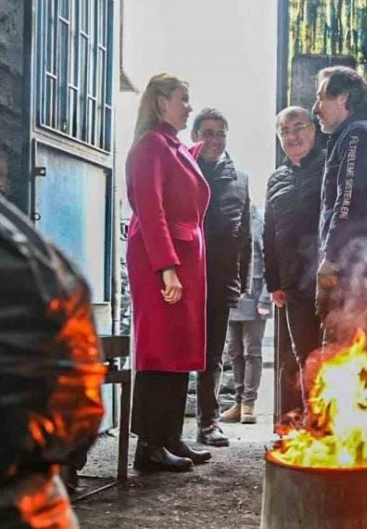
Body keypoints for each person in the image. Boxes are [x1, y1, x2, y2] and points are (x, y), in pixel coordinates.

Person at [124, 73, 213, 472]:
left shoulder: (172, 146)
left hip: (182, 260)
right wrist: (166, 269)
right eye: (183, 98)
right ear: (161, 102)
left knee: (179, 350)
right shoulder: (149, 147)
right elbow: (151, 210)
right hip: (162, 261)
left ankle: (170, 435)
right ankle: (149, 445)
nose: (189, 107)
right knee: (159, 350)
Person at [311, 66, 367, 340]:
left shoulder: (357, 136)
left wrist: (331, 258)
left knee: (347, 350)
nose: (315, 108)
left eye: (321, 97)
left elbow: (348, 200)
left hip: (358, 273)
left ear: (343, 99)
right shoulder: (354, 136)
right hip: (362, 268)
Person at [191, 108, 252, 448]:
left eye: (220, 133)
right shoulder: (184, 171)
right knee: (177, 353)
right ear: (195, 136)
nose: (214, 140)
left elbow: (243, 235)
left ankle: (208, 424)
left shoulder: (239, 179)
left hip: (220, 279)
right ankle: (165, 429)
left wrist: (241, 280)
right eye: (207, 132)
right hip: (184, 279)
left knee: (213, 355)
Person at [263, 106, 325, 414]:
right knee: (303, 358)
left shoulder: (331, 167)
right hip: (293, 285)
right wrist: (273, 281)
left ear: (314, 129)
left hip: (329, 281)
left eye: (298, 127)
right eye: (284, 132)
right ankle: (312, 424)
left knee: (334, 356)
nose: (292, 136)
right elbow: (269, 233)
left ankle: (340, 428)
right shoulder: (276, 178)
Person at [220, 203, 272, 425]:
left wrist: (265, 298)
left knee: (252, 352)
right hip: (233, 297)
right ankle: (239, 402)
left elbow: (270, 261)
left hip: (255, 297)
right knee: (234, 352)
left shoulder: (261, 221)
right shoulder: (229, 218)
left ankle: (249, 403)